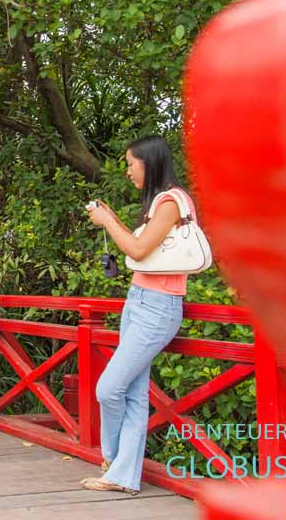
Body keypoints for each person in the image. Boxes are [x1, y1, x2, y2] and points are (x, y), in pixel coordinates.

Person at [81, 136, 195, 494]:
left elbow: (138, 249)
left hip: (158, 306)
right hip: (140, 300)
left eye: (131, 164)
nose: (128, 171)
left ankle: (113, 459)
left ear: (149, 162)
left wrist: (107, 222)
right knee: (132, 392)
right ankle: (123, 477)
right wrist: (110, 216)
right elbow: (140, 250)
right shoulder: (159, 205)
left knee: (109, 388)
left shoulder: (171, 202)